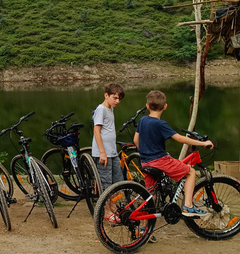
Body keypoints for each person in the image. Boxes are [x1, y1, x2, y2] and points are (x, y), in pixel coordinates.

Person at [134, 90, 214, 219]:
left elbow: (135, 140)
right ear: (165, 107)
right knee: (191, 172)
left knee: (150, 195)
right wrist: (202, 143)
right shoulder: (161, 124)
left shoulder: (143, 120)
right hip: (160, 161)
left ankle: (144, 228)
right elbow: (180, 139)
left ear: (147, 106)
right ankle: (188, 206)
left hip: (145, 161)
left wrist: (146, 152)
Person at [91, 83, 124, 223]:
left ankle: (113, 207)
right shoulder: (101, 109)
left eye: (119, 99)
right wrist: (102, 152)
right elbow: (96, 130)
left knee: (118, 181)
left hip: (112, 152)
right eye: (114, 97)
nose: (117, 101)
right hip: (103, 153)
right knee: (105, 183)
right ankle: (105, 211)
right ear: (106, 95)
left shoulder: (111, 109)